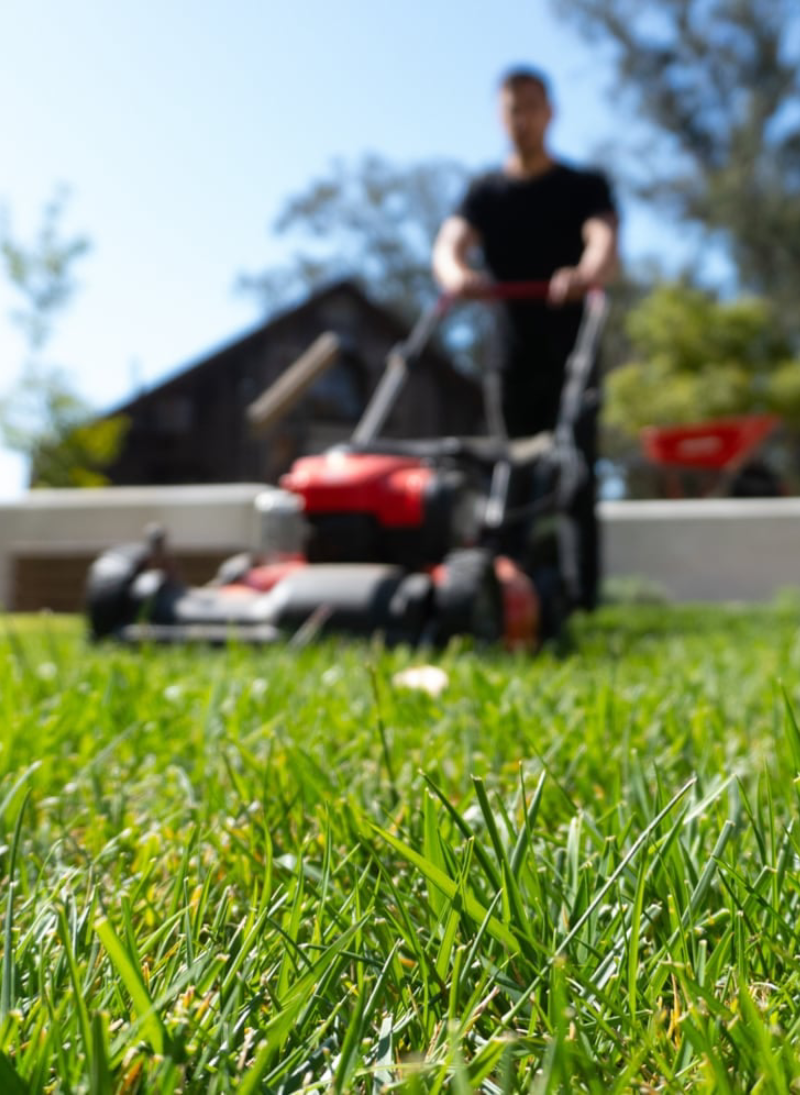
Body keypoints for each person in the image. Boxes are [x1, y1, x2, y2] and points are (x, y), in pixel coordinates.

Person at [432, 66, 618, 611]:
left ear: (551, 112)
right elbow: (449, 244)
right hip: (510, 356)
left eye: (532, 106)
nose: (523, 118)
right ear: (500, 116)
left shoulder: (583, 186)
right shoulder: (485, 192)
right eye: (513, 108)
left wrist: (586, 271)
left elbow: (603, 239)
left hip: (572, 355)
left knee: (577, 475)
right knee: (510, 470)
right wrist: (456, 275)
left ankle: (582, 598)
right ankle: (509, 591)